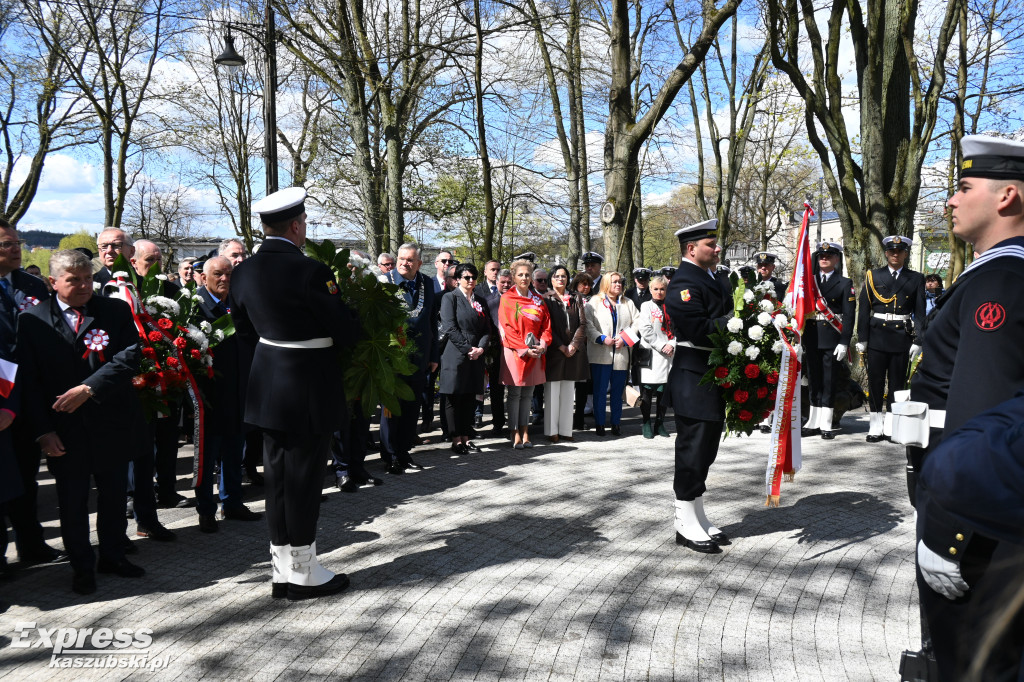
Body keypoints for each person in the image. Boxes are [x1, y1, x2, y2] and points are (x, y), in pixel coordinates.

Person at [903, 134, 1024, 680]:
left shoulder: (1000, 280)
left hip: (974, 532)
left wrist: (946, 535)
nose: (951, 200)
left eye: (964, 186)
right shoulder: (997, 274)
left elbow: (981, 416)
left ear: (1007, 197)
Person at [229, 186, 361, 600]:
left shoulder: (242, 271)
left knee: (279, 479)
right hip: (308, 383)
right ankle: (303, 573)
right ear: (297, 225)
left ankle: (282, 569)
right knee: (304, 478)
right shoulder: (311, 271)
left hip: (269, 383)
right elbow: (345, 331)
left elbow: (245, 332)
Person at [18, 250, 145, 594]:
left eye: (88, 277)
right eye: (74, 279)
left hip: (111, 422)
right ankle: (82, 565)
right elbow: (28, 381)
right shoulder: (33, 320)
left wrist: (90, 388)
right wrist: (43, 432)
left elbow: (130, 356)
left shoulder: (114, 311)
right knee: (73, 502)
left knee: (114, 496)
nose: (85, 285)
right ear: (52, 281)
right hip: (65, 430)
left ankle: (114, 555)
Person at [665, 219, 731, 554]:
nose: (717, 248)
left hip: (713, 374)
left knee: (707, 449)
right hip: (693, 375)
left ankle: (697, 514)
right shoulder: (683, 283)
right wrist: (737, 324)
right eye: (711, 244)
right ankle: (683, 520)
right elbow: (697, 329)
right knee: (692, 449)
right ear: (692, 249)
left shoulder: (713, 277)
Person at [0, 219, 60, 566]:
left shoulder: (31, 285)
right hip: (0, 400)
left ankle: (31, 544)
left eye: (16, 242)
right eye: (6, 245)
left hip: (29, 396)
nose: (15, 249)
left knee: (26, 475)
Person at [194, 257, 260, 533]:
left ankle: (232, 502)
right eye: (218, 274)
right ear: (204, 278)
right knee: (208, 456)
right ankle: (206, 510)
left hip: (238, 390)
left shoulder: (240, 303)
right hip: (209, 395)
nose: (224, 279)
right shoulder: (195, 307)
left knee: (234, 451)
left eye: (229, 274)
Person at [855, 235, 926, 443]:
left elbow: (920, 313)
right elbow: (864, 309)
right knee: (875, 382)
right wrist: (862, 338)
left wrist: (919, 341)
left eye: (900, 251)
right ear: (886, 253)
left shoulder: (916, 278)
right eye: (891, 251)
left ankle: (893, 425)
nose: (895, 254)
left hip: (901, 337)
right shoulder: (873, 276)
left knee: (898, 383)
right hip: (877, 335)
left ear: (905, 253)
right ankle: (876, 425)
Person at [381, 244, 438, 473]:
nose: (405, 263)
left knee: (412, 407)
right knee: (392, 408)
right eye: (402, 259)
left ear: (419, 263)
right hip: (393, 357)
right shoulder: (385, 282)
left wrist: (434, 354)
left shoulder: (427, 282)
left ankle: (404, 453)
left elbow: (432, 320)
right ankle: (390, 455)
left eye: (410, 260)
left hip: (419, 356)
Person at [801, 241, 856, 440]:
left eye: (829, 255)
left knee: (829, 379)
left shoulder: (844, 283)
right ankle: (813, 420)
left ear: (836, 259)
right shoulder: (809, 281)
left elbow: (849, 316)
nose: (824, 258)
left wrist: (844, 341)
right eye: (821, 256)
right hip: (812, 336)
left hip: (832, 337)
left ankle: (826, 421)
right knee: (813, 379)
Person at [439, 263, 490, 454]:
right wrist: (468, 348)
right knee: (454, 398)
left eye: (473, 277)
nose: (471, 281)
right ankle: (456, 439)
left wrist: (480, 348)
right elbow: (449, 327)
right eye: (467, 277)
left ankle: (467, 437)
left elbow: (487, 329)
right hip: (456, 353)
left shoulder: (480, 301)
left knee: (469, 397)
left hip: (476, 354)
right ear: (457, 279)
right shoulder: (450, 298)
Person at [499, 259, 551, 449]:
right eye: (520, 274)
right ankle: (514, 431)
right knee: (515, 393)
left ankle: (525, 429)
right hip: (515, 351)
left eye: (527, 275)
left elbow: (546, 325)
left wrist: (543, 344)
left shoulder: (539, 300)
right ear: (513, 277)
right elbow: (507, 327)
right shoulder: (507, 299)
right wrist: (523, 349)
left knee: (528, 393)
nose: (524, 278)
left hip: (535, 351)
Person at [585, 271, 639, 437]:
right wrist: (601, 338)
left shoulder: (627, 302)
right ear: (606, 283)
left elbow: (638, 321)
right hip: (601, 354)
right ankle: (600, 423)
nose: (618, 284)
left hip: (621, 354)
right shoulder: (594, 302)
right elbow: (587, 324)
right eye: (615, 282)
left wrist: (625, 338)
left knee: (617, 391)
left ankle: (616, 423)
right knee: (600, 391)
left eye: (620, 282)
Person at [542, 265, 588, 443]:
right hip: (555, 351)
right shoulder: (546, 299)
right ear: (551, 279)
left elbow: (583, 324)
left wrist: (574, 345)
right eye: (557, 276)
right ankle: (552, 431)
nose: (560, 279)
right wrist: (561, 346)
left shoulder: (576, 297)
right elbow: (546, 326)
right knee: (553, 392)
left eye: (563, 276)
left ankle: (566, 430)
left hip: (573, 352)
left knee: (569, 392)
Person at [636, 275, 674, 439]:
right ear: (650, 290)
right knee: (647, 392)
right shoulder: (646, 306)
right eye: (656, 289)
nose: (659, 292)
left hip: (669, 354)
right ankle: (646, 422)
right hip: (652, 353)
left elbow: (678, 328)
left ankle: (660, 423)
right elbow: (645, 329)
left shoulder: (672, 306)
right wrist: (661, 345)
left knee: (663, 392)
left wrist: (672, 344)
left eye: (662, 289)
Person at [485, 269, 512, 436]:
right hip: (496, 351)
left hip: (515, 351)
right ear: (496, 283)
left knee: (515, 390)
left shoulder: (519, 301)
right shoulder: (488, 302)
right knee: (496, 390)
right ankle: (498, 422)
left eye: (509, 282)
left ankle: (515, 422)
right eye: (503, 282)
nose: (506, 285)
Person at [570, 273, 595, 430]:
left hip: (587, 348)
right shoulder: (570, 298)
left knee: (583, 386)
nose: (586, 287)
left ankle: (579, 419)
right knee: (569, 386)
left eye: (589, 284)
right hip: (572, 346)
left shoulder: (594, 301)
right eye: (583, 284)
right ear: (576, 284)